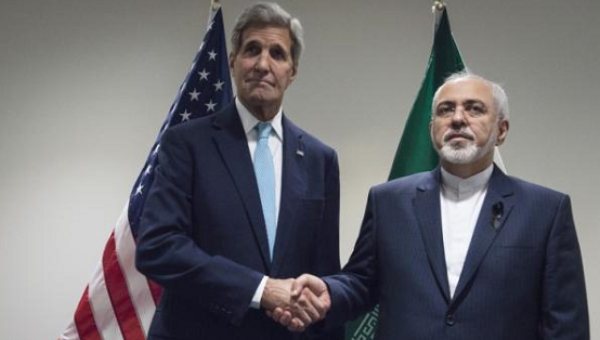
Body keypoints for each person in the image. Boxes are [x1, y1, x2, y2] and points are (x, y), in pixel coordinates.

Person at [275, 72, 590, 339]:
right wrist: (328, 293)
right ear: (432, 129)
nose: (457, 118)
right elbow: (361, 282)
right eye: (445, 110)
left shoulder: (546, 211)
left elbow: (565, 324)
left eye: (474, 109)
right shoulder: (388, 201)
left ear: (502, 131)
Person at [135, 2, 342, 340]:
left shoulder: (321, 159)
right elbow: (158, 247)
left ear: (293, 71)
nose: (263, 64)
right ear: (233, 62)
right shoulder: (186, 144)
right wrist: (260, 289)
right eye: (252, 50)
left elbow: (325, 273)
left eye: (277, 53)